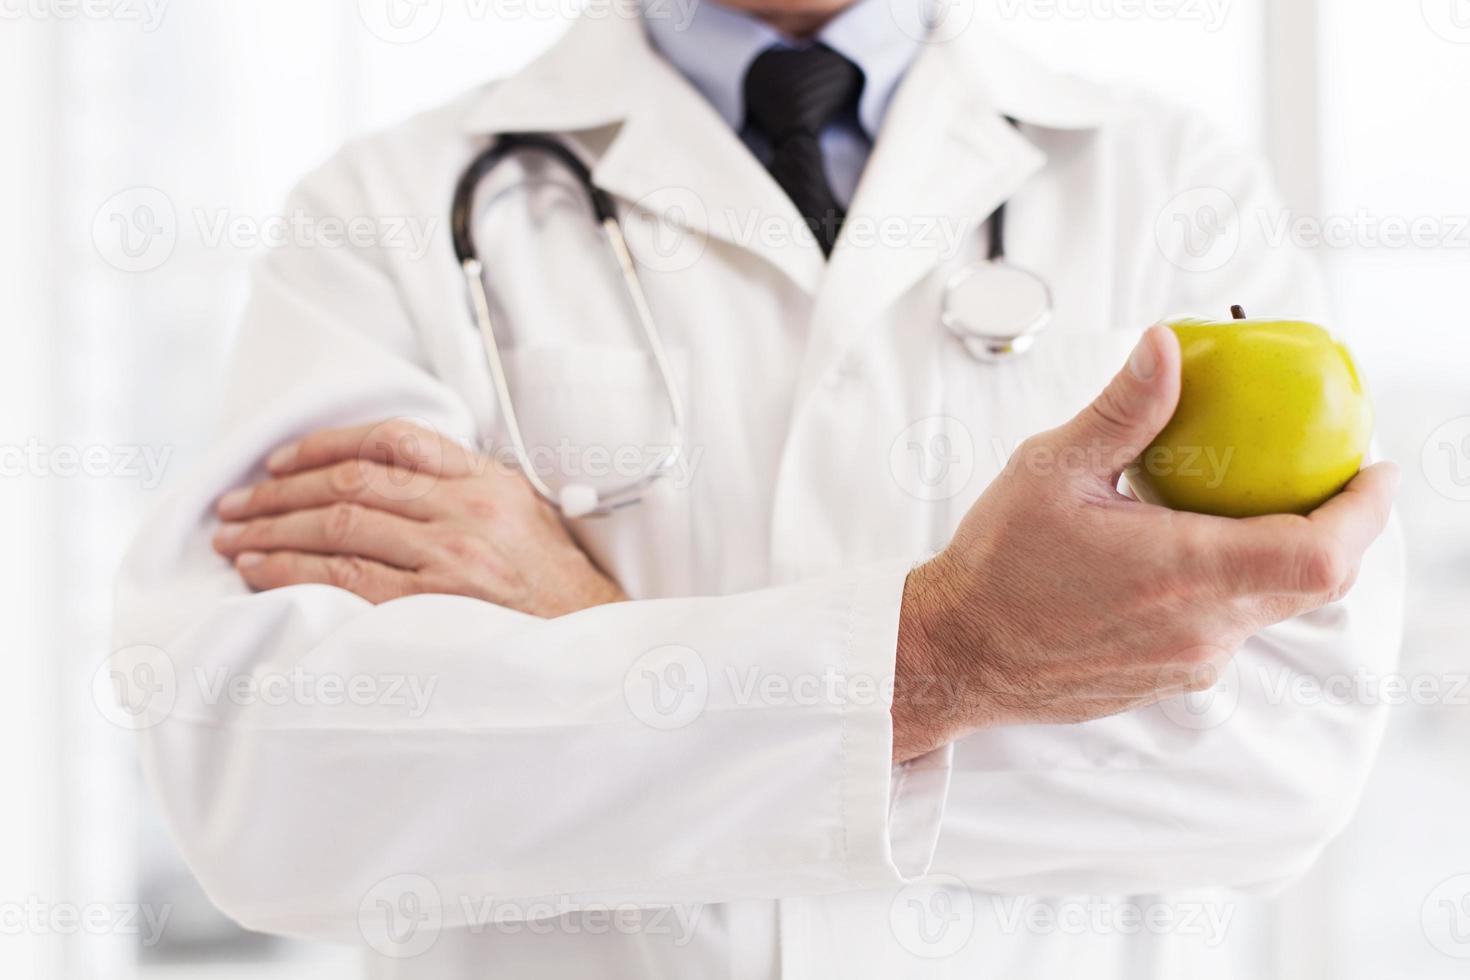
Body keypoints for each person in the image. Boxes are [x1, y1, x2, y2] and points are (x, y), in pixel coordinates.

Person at [114, 0, 1404, 976]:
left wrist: (589, 641)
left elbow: (1281, 759)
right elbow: (274, 781)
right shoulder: (377, 218)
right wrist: (942, 661)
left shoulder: (1172, 194)